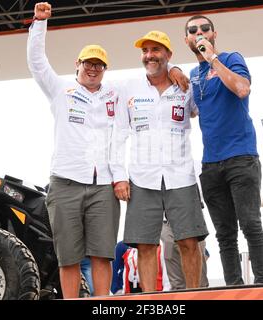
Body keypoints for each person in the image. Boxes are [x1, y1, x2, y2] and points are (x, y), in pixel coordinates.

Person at [27, 2, 121, 298]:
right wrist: (39, 23)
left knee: (102, 253)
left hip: (103, 185)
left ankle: (103, 303)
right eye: (88, 63)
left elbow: (150, 84)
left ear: (104, 70)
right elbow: (37, 62)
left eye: (99, 65)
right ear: (77, 65)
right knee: (68, 255)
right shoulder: (60, 90)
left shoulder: (114, 95)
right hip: (65, 182)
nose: (93, 69)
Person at [110, 30, 209, 292]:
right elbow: (118, 133)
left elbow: (206, 109)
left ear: (168, 54)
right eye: (145, 51)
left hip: (181, 176)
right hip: (142, 178)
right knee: (145, 245)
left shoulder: (184, 86)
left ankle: (193, 296)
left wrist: (178, 71)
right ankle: (149, 301)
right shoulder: (128, 87)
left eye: (155, 50)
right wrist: (119, 176)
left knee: (189, 242)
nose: (149, 56)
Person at [184, 15, 263, 285]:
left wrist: (213, 59)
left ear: (214, 34)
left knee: (250, 224)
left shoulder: (231, 58)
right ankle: (234, 287)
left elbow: (242, 89)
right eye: (192, 30)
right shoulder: (193, 75)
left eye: (204, 29)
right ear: (186, 39)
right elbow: (193, 111)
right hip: (211, 164)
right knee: (224, 234)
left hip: (241, 157)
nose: (199, 33)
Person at [161, 220, 210, 290]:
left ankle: (200, 292)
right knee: (177, 284)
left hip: (189, 219)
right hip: (165, 222)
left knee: (200, 283)